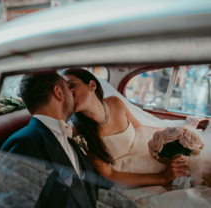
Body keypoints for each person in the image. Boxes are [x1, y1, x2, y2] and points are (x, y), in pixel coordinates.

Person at [63, 69, 211, 207]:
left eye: (71, 86)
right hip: (131, 176)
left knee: (198, 169)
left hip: (146, 156)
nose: (67, 94)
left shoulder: (115, 103)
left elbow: (141, 127)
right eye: (63, 90)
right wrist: (162, 178)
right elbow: (109, 174)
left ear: (92, 85)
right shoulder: (77, 129)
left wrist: (175, 132)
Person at [0, 73, 115, 208]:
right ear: (58, 93)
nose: (73, 94)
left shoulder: (71, 134)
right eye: (69, 88)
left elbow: (90, 184)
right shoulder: (22, 144)